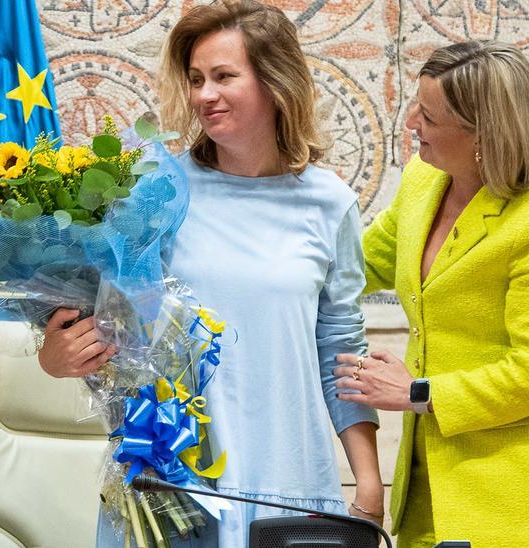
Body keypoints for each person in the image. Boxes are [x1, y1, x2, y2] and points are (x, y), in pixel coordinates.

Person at [39, 2, 383, 545]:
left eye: (224, 77)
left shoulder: (330, 201)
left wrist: (368, 482)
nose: (204, 95)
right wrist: (57, 354)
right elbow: (109, 331)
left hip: (289, 483)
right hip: (170, 486)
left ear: (276, 83)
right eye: (196, 79)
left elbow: (339, 347)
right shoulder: (153, 190)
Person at [335, 40, 529, 547]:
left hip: (523, 501)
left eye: (430, 118)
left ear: (484, 133)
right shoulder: (424, 182)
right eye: (415, 105)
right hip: (429, 485)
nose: (412, 123)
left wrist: (416, 393)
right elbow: (360, 265)